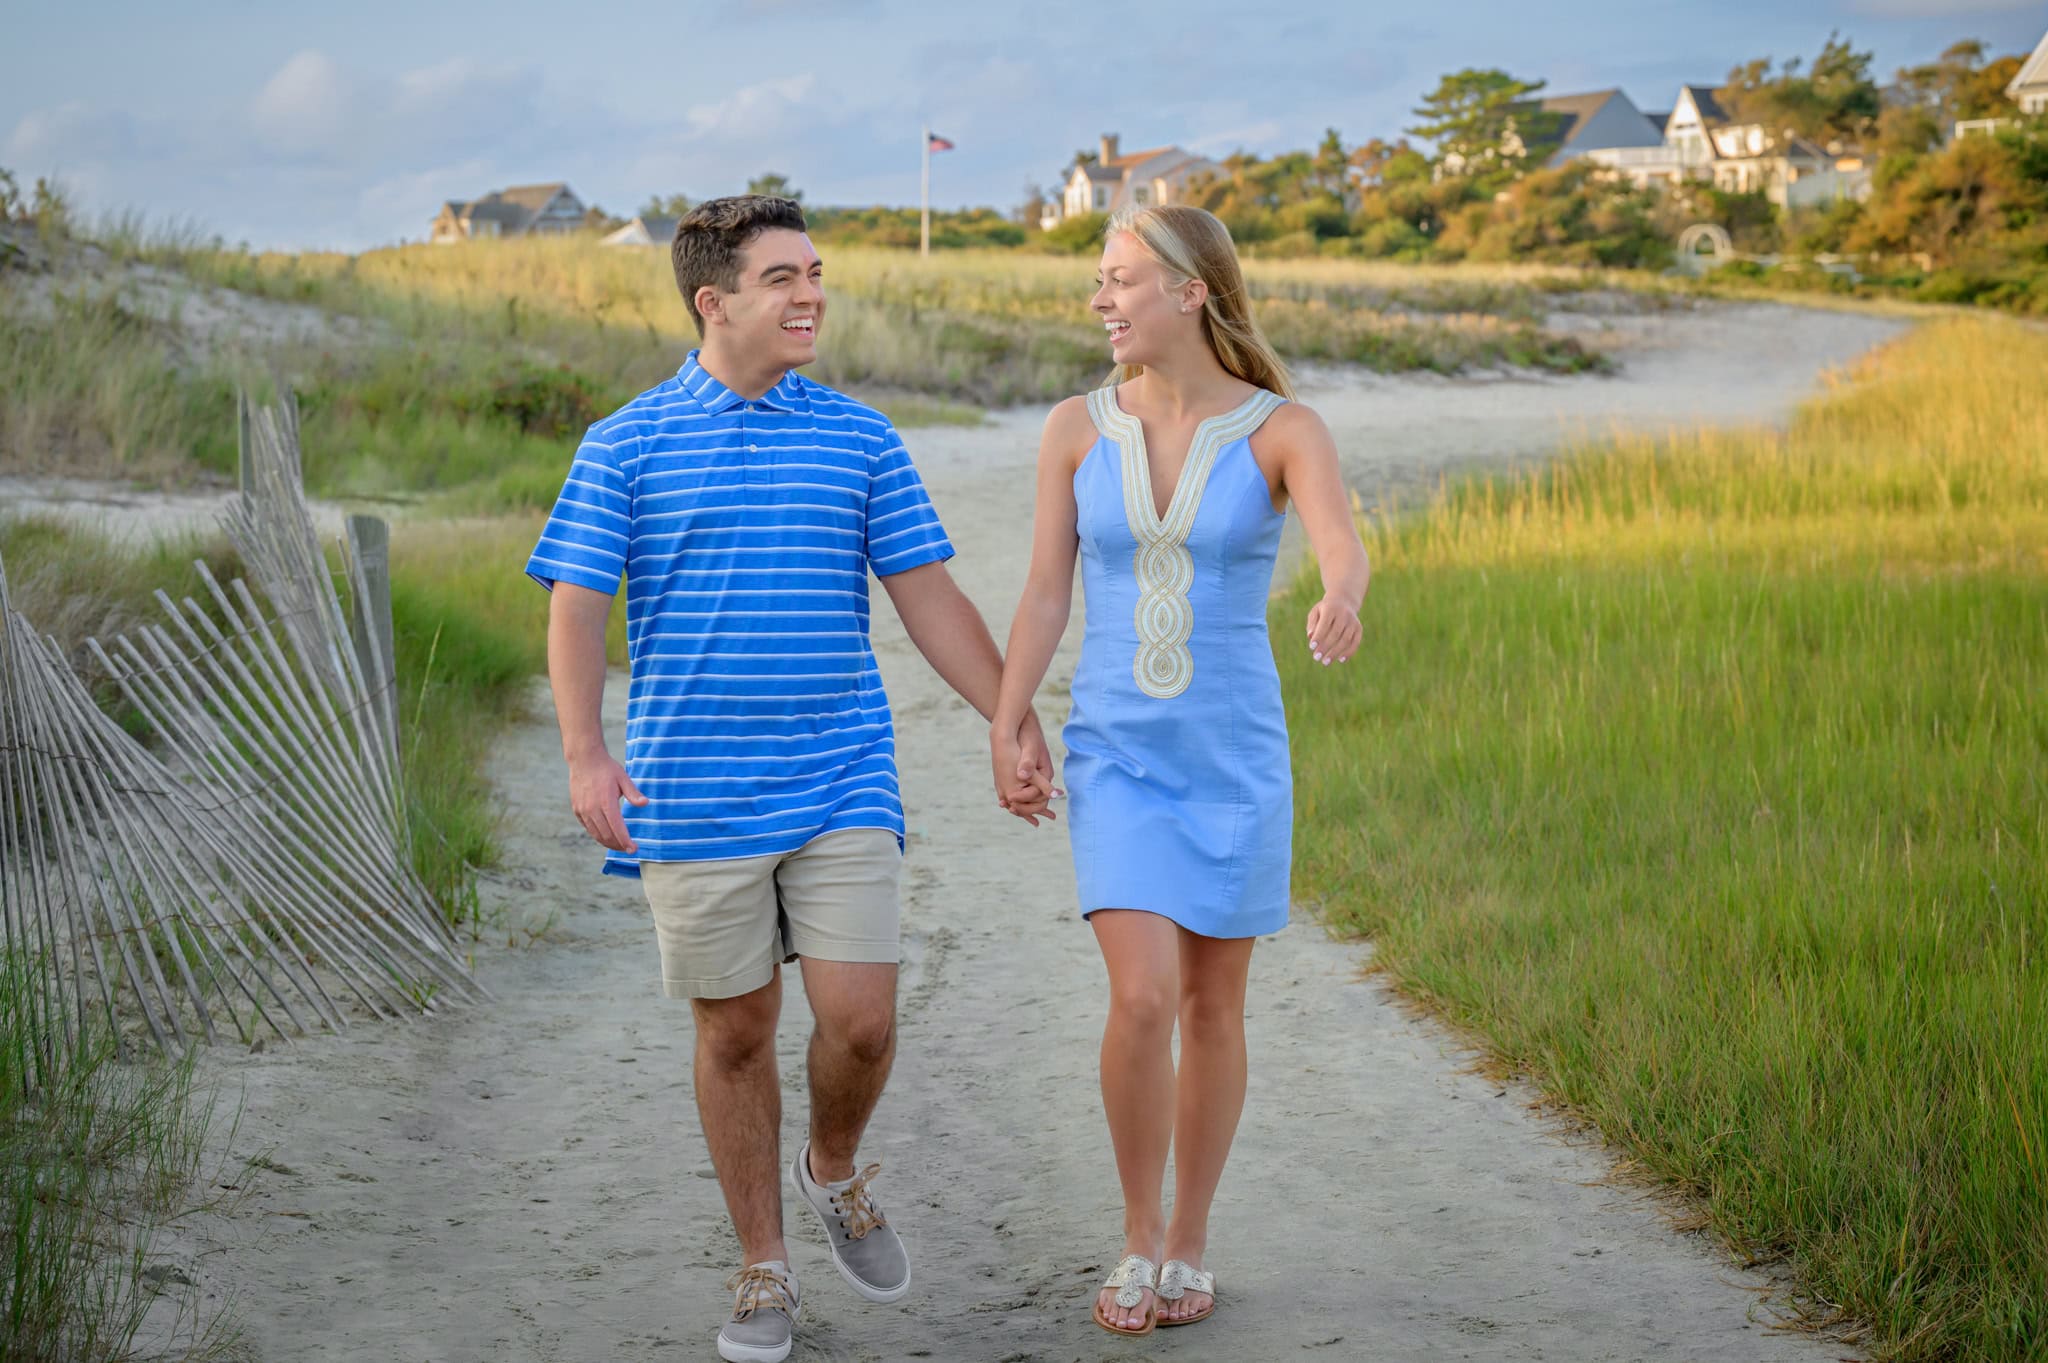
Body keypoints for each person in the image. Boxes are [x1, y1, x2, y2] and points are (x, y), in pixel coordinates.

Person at [526, 194, 1052, 1363]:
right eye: (781, 277)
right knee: (736, 1031)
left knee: (859, 1022)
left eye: (813, 271)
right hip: (691, 787)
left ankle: (834, 1167)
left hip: (839, 772)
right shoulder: (625, 441)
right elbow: (574, 606)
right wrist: (583, 753)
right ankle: (762, 1266)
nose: (809, 292)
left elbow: (930, 602)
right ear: (714, 302)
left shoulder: (861, 438)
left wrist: (1009, 715)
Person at [989, 203, 1369, 1336]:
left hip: (1234, 758)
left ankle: (1190, 1241)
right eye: (1099, 281)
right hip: (1116, 756)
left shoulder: (1281, 428)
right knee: (1141, 993)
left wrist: (1340, 595)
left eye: (1118, 280)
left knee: (1213, 1006)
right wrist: (1009, 718)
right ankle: (1135, 1236)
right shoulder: (1072, 428)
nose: (1100, 300)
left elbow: (1339, 544)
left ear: (1189, 291)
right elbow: (1046, 591)